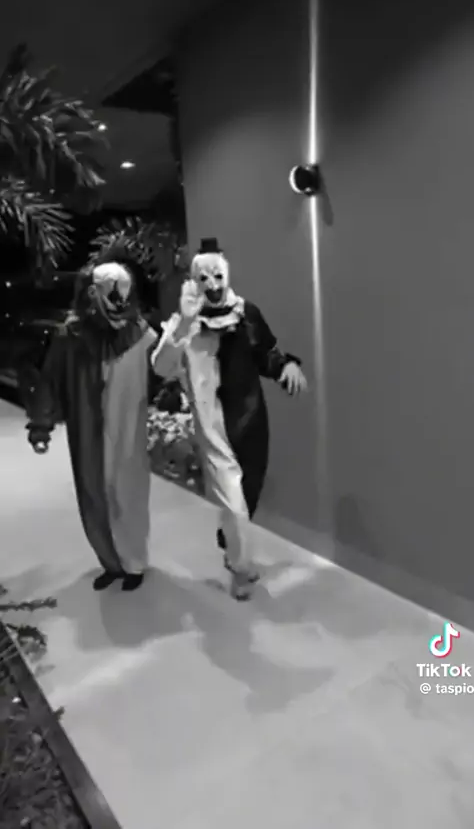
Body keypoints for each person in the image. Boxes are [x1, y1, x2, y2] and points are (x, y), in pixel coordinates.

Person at [151, 237, 307, 600]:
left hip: (251, 422)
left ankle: (230, 542)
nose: (213, 285)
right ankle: (240, 569)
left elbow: (266, 353)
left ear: (227, 274)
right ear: (194, 281)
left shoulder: (246, 313)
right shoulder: (185, 324)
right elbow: (161, 366)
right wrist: (184, 323)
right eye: (203, 279)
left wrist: (286, 365)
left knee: (246, 496)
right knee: (235, 507)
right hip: (214, 431)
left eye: (217, 276)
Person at [26, 250, 158, 591]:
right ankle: (111, 562)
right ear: (92, 293)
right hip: (87, 430)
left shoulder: (142, 335)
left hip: (127, 430)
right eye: (110, 292)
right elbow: (50, 379)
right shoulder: (70, 337)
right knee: (93, 495)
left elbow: (163, 371)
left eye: (124, 291)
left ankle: (134, 563)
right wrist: (40, 425)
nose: (118, 301)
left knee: (128, 495)